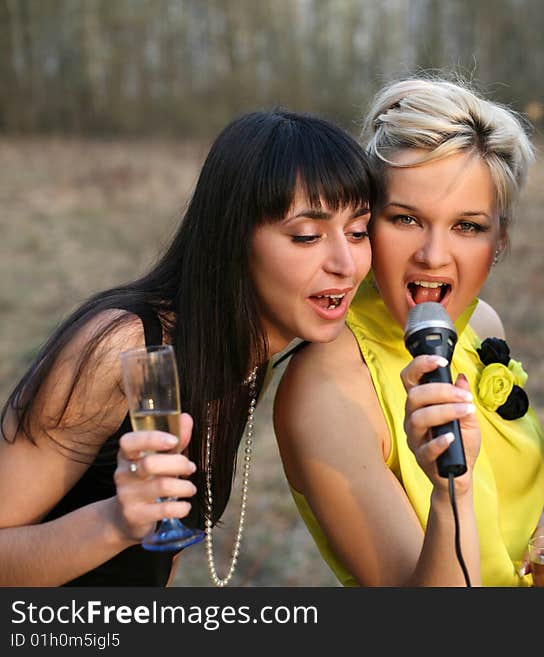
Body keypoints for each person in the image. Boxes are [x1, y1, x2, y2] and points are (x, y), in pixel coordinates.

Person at [0, 110, 378, 586]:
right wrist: (115, 523)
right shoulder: (122, 349)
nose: (345, 263)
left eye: (359, 231)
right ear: (232, 239)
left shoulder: (246, 353)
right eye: (306, 235)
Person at [274, 77, 544, 587]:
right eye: (406, 219)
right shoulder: (326, 388)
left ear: (500, 240)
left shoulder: (481, 324)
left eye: (467, 226)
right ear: (367, 225)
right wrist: (454, 496)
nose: (433, 255)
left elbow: (501, 504)